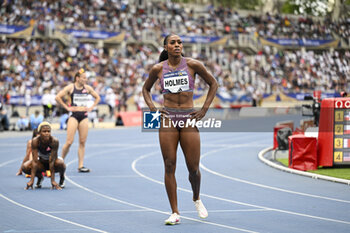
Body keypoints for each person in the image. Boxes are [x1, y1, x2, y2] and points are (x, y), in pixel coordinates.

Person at [142, 34, 218, 225]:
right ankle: (175, 212)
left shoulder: (193, 65)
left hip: (188, 117)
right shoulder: (158, 69)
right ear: (165, 46)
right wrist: (153, 109)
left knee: (193, 168)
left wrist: (204, 110)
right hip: (168, 117)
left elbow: (213, 84)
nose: (177, 45)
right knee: (169, 164)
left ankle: (196, 198)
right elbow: (145, 90)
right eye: (173, 43)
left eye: (179, 42)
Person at [55, 68, 101, 172]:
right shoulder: (71, 87)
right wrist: (67, 107)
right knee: (69, 141)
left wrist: (91, 107)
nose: (85, 80)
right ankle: (59, 161)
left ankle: (80, 165)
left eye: (86, 78)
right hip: (74, 115)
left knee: (82, 141)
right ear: (77, 78)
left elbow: (97, 97)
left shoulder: (88, 88)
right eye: (84, 78)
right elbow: (58, 97)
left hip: (84, 116)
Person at [23, 122, 66, 190]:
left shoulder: (54, 141)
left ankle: (62, 177)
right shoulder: (35, 141)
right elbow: (34, 161)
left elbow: (51, 161)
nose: (47, 133)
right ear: (39, 132)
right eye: (44, 131)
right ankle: (40, 177)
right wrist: (32, 180)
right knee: (25, 167)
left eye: (48, 131)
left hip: (53, 162)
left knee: (61, 163)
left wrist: (52, 180)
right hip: (42, 162)